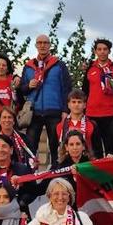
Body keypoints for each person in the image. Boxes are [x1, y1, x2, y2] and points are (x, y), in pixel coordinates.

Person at [21, 34, 72, 169]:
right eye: (39, 43)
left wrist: (65, 110)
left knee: (56, 146)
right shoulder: (28, 66)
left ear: (50, 45)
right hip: (35, 112)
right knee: (30, 146)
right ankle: (29, 175)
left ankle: (56, 175)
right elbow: (21, 90)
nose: (42, 45)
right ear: (36, 45)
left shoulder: (59, 65)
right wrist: (28, 86)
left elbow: (67, 88)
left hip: (54, 111)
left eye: (45, 43)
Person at [84, 38, 113, 152]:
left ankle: (111, 170)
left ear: (109, 51)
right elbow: (85, 90)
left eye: (105, 49)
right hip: (92, 113)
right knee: (95, 149)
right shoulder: (90, 69)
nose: (102, 52)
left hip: (109, 113)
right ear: (95, 51)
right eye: (99, 49)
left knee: (111, 147)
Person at [56, 91, 99, 159]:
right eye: (73, 102)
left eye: (79, 102)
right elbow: (55, 148)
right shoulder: (60, 126)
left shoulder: (92, 125)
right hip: (65, 163)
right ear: (68, 105)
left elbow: (97, 150)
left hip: (87, 163)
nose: (76, 105)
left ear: (84, 105)